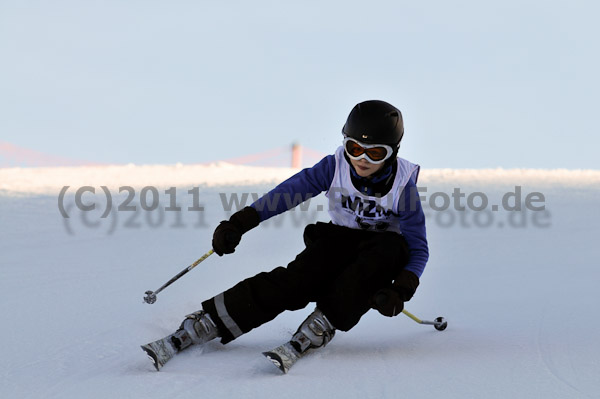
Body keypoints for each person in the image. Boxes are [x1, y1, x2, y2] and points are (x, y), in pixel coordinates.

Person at [148, 100, 428, 367]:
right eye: (354, 148)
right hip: (338, 240)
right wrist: (242, 221)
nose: (362, 159)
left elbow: (418, 249)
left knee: (380, 258)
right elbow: (289, 193)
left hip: (380, 253)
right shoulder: (335, 167)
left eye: (375, 152)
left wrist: (401, 287)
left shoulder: (403, 189)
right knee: (297, 280)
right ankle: (213, 319)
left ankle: (323, 323)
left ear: (393, 152)